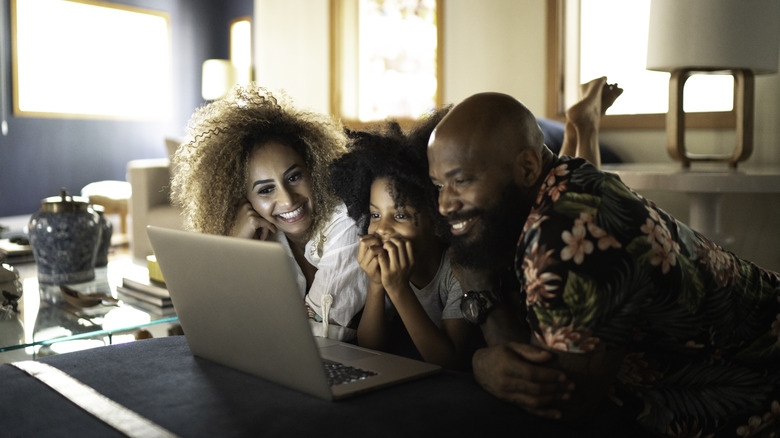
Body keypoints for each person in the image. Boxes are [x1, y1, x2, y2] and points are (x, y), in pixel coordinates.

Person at [427, 86, 780, 436]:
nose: (445, 205)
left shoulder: (570, 238)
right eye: (439, 185)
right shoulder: (568, 177)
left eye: (461, 180)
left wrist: (479, 306)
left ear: (528, 166)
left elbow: (560, 399)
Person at [171, 85, 367, 341]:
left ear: (314, 170)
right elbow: (207, 324)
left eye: (294, 177)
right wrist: (233, 245)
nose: (286, 199)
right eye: (265, 190)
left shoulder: (346, 222)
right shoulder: (262, 235)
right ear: (244, 199)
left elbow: (321, 338)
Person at [329, 113, 476, 370]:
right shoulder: (386, 265)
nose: (382, 228)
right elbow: (371, 350)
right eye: (375, 214)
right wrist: (376, 285)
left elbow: (449, 361)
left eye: (400, 215)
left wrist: (397, 288)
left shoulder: (457, 270)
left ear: (435, 217)